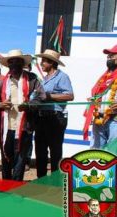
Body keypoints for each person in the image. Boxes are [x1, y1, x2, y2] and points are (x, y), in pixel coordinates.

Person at [0, 49, 46, 181]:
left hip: (25, 126)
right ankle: (6, 185)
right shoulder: (3, 82)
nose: (14, 64)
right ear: (8, 65)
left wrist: (28, 105)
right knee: (6, 157)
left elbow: (41, 97)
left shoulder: (32, 79)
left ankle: (16, 186)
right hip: (7, 127)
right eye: (11, 62)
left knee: (21, 158)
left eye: (17, 61)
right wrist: (0, 104)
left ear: (22, 63)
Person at [34, 49, 74, 178]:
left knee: (55, 151)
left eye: (44, 61)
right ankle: (42, 180)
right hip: (41, 117)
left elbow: (70, 95)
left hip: (55, 117)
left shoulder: (62, 76)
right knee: (40, 151)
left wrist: (49, 96)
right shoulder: (44, 78)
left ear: (51, 63)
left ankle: (56, 182)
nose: (41, 63)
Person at [83, 44, 117, 152]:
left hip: (115, 121)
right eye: (108, 55)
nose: (109, 57)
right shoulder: (104, 76)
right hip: (99, 119)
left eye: (112, 55)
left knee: (113, 152)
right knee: (96, 153)